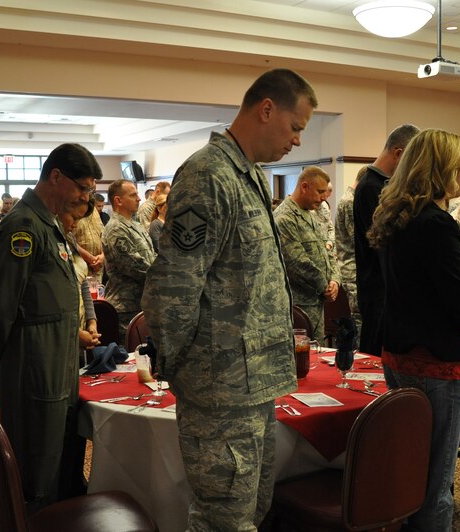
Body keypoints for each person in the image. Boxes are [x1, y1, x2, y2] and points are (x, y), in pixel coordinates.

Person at [141, 68, 316, 530]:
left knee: (250, 512)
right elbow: (173, 288)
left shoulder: (251, 176)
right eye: (296, 127)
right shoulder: (208, 175)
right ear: (266, 110)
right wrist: (181, 367)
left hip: (253, 383)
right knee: (224, 519)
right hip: (219, 387)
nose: (297, 141)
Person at [368, 129, 460, 530]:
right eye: (458, 165)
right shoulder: (436, 225)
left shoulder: (394, 216)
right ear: (440, 170)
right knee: (435, 485)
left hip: (398, 355)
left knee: (409, 471)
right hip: (436, 361)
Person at [0, 143, 101, 510]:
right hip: (35, 362)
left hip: (60, 360)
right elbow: (1, 305)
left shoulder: (50, 224)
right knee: (37, 460)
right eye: (82, 188)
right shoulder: (23, 226)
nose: (84, 196)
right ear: (56, 176)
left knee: (63, 453)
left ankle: (60, 515)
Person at [353, 123, 419, 358]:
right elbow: (384, 244)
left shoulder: (384, 186)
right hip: (378, 288)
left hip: (384, 288)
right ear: (399, 153)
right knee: (374, 362)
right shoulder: (371, 187)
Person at [274, 166, 339, 342]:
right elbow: (297, 262)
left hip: (317, 303)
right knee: (304, 361)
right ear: (304, 187)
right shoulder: (285, 218)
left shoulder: (310, 213)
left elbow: (328, 250)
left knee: (317, 357)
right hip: (299, 306)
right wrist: (325, 285)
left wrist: (335, 279)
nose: (324, 197)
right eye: (320, 192)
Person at [102, 179, 156, 339]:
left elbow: (151, 256)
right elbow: (138, 267)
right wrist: (167, 274)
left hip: (140, 305)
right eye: (133, 195)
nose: (139, 198)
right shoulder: (116, 229)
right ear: (118, 200)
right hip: (126, 309)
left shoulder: (134, 224)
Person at [58, 196, 101, 356]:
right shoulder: (50, 238)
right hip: (62, 334)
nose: (76, 224)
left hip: (80, 325)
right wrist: (75, 333)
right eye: (74, 218)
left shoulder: (68, 237)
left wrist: (92, 321)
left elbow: (82, 284)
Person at [334, 166, 365, 340]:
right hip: (352, 268)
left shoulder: (351, 199)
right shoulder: (349, 202)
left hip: (355, 267)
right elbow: (357, 238)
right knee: (358, 320)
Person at [72, 196, 105, 282]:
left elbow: (103, 234)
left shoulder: (94, 210)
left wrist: (102, 256)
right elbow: (68, 239)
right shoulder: (71, 209)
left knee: (96, 294)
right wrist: (91, 259)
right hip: (79, 267)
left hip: (98, 268)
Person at [312, 181, 335, 258]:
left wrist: (329, 244)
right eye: (323, 196)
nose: (324, 199)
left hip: (327, 253)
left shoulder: (325, 206)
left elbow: (331, 228)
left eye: (327, 197)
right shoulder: (306, 209)